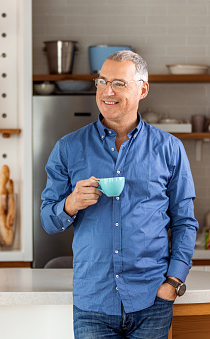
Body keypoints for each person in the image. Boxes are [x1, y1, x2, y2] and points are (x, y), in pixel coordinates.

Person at [40, 50, 198, 339]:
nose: (107, 91)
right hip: (93, 302)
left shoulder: (170, 148)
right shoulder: (68, 147)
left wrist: (173, 283)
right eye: (101, 82)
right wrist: (71, 204)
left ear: (143, 89)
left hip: (151, 300)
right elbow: (48, 220)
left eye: (119, 83)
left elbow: (184, 222)